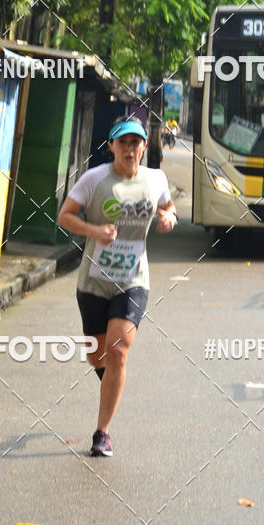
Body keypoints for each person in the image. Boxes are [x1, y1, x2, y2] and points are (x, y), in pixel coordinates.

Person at [58, 119, 177, 457]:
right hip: (93, 282)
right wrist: (94, 231)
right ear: (111, 146)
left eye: (136, 143)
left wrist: (170, 218)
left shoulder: (155, 179)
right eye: (122, 142)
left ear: (144, 147)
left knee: (118, 351)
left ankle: (102, 434)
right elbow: (65, 215)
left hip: (133, 280)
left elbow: (168, 207)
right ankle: (112, 379)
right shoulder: (94, 179)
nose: (130, 149)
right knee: (97, 355)